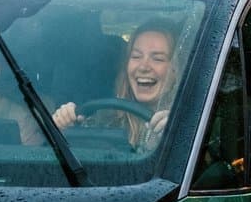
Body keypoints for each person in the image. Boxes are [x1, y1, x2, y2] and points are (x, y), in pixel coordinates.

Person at [51, 20, 180, 150]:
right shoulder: (104, 120)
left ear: (177, 69)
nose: (143, 67)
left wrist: (177, 136)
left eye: (157, 59)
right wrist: (61, 127)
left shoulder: (187, 124)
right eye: (136, 56)